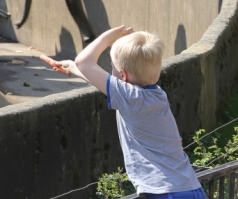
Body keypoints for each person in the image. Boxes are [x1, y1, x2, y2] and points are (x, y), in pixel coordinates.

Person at [41, 27, 204, 199]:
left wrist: (107, 37)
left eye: (112, 68)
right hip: (191, 187)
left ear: (123, 76)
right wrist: (73, 68)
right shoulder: (156, 95)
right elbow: (104, 81)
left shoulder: (131, 98)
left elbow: (84, 61)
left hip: (164, 192)